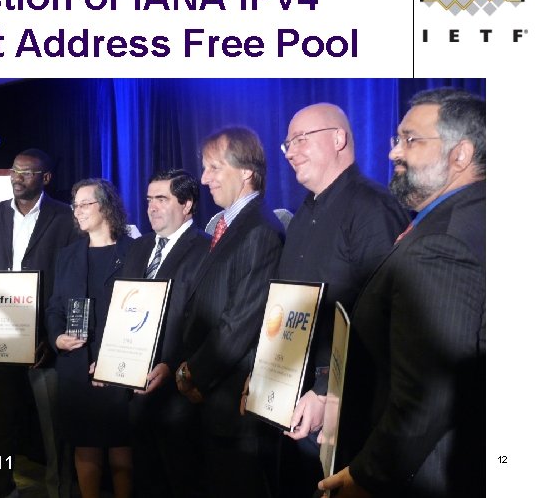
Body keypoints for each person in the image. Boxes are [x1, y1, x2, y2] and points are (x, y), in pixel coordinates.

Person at [319, 88, 486, 497]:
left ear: (460, 155)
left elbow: (429, 393)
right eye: (398, 139)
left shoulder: (443, 242)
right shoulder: (471, 215)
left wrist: (366, 476)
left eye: (411, 140)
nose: (394, 151)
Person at [263, 103, 408, 496]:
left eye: (300, 140)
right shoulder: (303, 215)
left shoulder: (372, 208)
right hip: (293, 402)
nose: (290, 152)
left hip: (348, 410)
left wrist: (328, 390)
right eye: (288, 144)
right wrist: (262, 375)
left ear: (339, 138)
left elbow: (384, 319)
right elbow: (289, 309)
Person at [0, 148, 77, 498]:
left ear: (46, 178)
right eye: (14, 170)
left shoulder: (65, 217)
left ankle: (60, 491)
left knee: (54, 426)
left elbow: (70, 281)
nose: (17, 177)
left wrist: (53, 335)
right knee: (1, 421)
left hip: (44, 338)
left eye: (26, 172)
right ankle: (2, 489)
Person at [175, 126, 284, 498]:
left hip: (230, 402)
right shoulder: (227, 225)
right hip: (212, 399)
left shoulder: (259, 230)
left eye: (214, 168)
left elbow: (240, 322)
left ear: (246, 171)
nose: (204, 179)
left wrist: (193, 373)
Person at [121, 169, 210, 498]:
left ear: (187, 204)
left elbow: (204, 319)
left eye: (162, 199)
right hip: (134, 385)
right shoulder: (139, 246)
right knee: (145, 479)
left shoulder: (206, 249)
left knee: (181, 479)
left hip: (177, 391)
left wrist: (172, 364)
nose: (152, 207)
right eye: (149, 200)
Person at [46, 178, 135, 498]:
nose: (78, 211)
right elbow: (55, 307)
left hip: (118, 363)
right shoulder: (68, 255)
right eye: (76, 205)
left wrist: (111, 357)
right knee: (84, 444)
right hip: (75, 365)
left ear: (106, 206)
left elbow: (141, 311)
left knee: (120, 445)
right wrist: (57, 338)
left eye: (85, 204)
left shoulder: (134, 252)